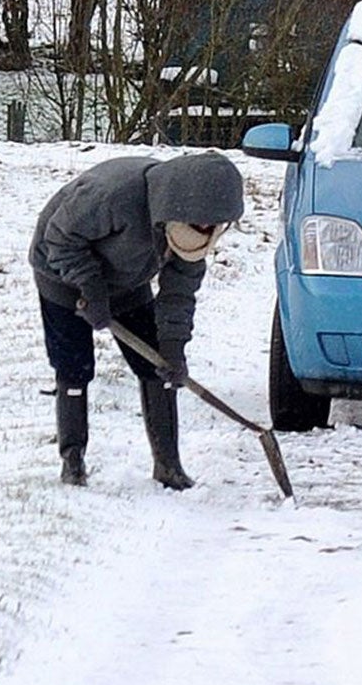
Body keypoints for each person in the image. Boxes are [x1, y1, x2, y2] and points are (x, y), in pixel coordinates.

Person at [29, 150, 246, 490]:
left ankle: (168, 465)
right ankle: (73, 462)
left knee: (155, 364)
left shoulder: (197, 227)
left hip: (128, 282)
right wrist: (91, 289)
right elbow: (59, 237)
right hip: (61, 271)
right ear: (177, 211)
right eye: (199, 226)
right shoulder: (112, 194)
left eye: (210, 228)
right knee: (74, 367)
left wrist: (173, 349)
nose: (205, 230)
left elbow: (178, 296)